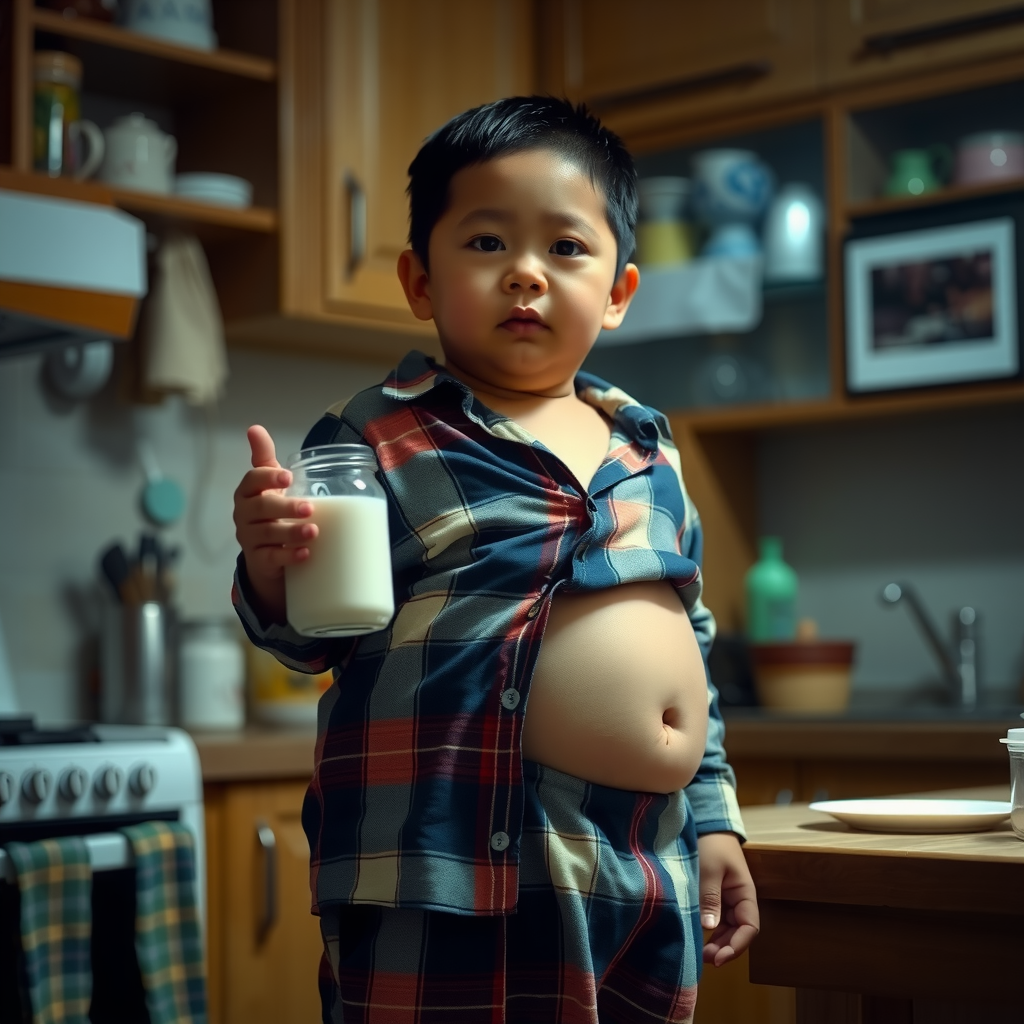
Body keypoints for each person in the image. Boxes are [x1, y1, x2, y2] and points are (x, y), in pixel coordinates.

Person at [232, 95, 758, 1024]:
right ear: (420, 281)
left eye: (565, 248)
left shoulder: (650, 451)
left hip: (642, 864)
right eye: (485, 244)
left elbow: (695, 643)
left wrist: (714, 817)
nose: (525, 273)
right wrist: (275, 564)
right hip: (451, 867)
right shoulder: (378, 436)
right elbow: (310, 634)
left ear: (620, 291)